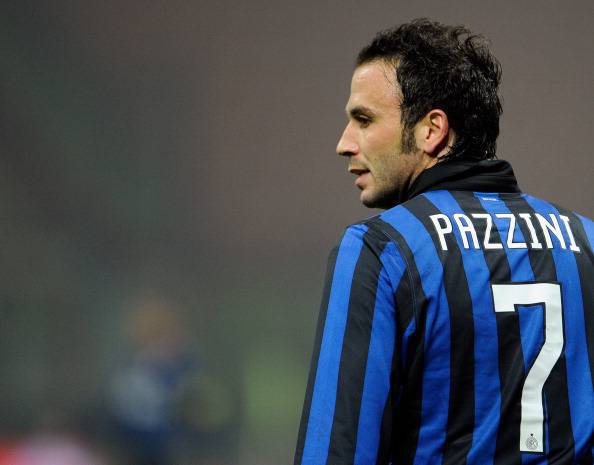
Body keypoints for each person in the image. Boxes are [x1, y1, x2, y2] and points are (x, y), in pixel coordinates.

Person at [294, 19, 594, 465]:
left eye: (364, 119)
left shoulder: (380, 250)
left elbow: (335, 450)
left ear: (431, 130)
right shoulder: (586, 243)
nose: (344, 143)